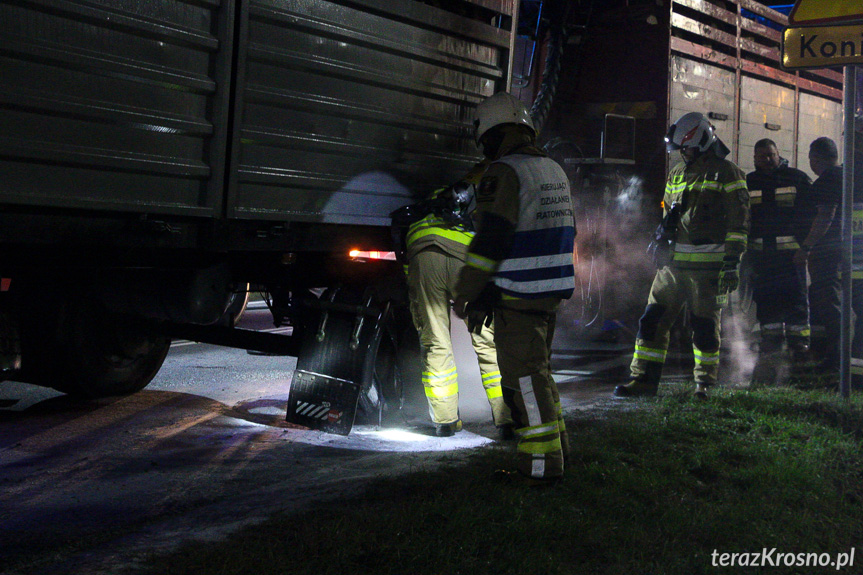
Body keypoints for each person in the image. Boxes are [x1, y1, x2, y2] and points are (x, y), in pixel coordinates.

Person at [453, 91, 576, 484]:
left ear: (493, 133)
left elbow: (493, 238)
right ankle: (559, 451)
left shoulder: (504, 172)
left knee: (524, 381)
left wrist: (469, 290)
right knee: (539, 373)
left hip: (519, 294)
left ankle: (539, 468)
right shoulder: (551, 169)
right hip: (548, 290)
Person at [614, 112, 749, 399]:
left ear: (701, 142)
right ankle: (643, 381)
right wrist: (660, 243)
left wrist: (732, 263)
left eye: (685, 148)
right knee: (651, 321)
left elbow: (740, 223)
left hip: (708, 270)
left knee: (703, 329)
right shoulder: (677, 172)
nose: (682, 153)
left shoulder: (728, 173)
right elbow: (669, 217)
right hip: (672, 268)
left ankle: (705, 385)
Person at [405, 162, 514, 438]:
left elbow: (407, 267)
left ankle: (445, 422)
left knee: (435, 341)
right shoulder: (471, 204)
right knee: (487, 341)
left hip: (422, 255)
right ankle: (505, 418)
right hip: (462, 255)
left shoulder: (422, 212)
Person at [745, 138, 813, 378]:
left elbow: (811, 214)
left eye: (771, 155)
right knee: (766, 303)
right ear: (754, 158)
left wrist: (805, 248)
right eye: (761, 156)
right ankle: (770, 350)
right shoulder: (749, 182)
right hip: (762, 259)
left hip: (790, 258)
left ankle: (800, 353)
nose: (767, 160)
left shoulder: (796, 178)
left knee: (796, 302)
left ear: (778, 154)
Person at [793, 137, 844, 377]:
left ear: (815, 159)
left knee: (829, 305)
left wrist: (806, 247)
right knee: (829, 303)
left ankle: (835, 359)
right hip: (839, 253)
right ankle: (832, 355)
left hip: (826, 254)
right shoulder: (845, 175)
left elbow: (826, 215)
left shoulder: (827, 181)